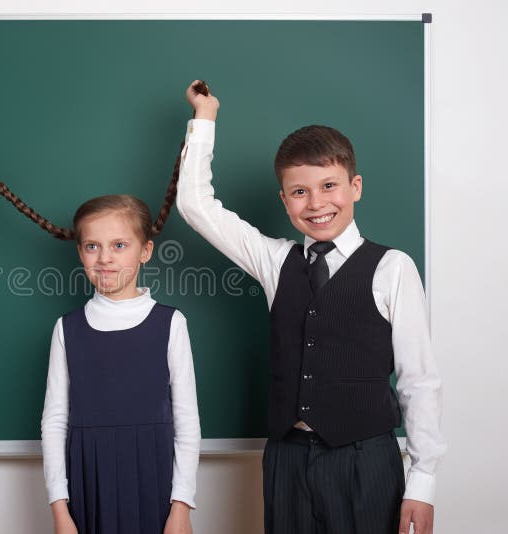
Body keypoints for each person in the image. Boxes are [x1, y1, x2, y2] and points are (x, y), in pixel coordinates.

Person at [176, 81, 446, 534]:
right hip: (286, 460)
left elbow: (419, 381)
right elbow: (194, 205)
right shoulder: (275, 261)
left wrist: (423, 481)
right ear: (284, 200)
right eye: (299, 192)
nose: (317, 203)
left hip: (367, 461)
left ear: (354, 187)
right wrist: (205, 117)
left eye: (329, 186)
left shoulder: (393, 267)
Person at [40, 194, 201, 534]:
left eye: (119, 245)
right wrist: (59, 510)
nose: (105, 259)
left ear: (145, 251)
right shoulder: (66, 328)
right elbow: (54, 421)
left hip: (154, 483)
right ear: (80, 252)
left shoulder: (171, 323)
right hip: (88, 485)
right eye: (92, 247)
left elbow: (187, 420)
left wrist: (182, 507)